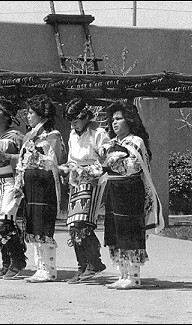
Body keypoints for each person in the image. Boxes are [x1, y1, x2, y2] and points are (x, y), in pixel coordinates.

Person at [98, 101, 164, 289]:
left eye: (119, 119)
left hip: (130, 192)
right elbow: (101, 167)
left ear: (129, 120)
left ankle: (134, 277)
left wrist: (110, 162)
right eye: (112, 120)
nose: (114, 123)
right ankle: (123, 274)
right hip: (114, 191)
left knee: (129, 232)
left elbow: (133, 167)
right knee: (116, 232)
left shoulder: (136, 142)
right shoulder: (111, 144)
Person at [13, 94, 65, 283]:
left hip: (45, 185)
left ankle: (50, 269)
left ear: (42, 115)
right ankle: (40, 267)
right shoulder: (28, 137)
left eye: (31, 113)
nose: (28, 116)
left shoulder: (53, 135)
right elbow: (21, 162)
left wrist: (38, 155)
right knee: (32, 226)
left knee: (44, 227)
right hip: (31, 185)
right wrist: (19, 183)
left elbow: (56, 161)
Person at [58, 98, 109, 284]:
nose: (73, 123)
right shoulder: (72, 135)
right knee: (73, 225)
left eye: (76, 119)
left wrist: (90, 172)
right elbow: (72, 159)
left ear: (86, 117)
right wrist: (66, 168)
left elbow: (105, 160)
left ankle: (94, 262)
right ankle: (82, 266)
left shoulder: (98, 133)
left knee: (82, 223)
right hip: (76, 180)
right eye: (71, 120)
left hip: (92, 180)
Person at [0, 96, 27, 280]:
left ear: (8, 115)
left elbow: (26, 158)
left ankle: (18, 260)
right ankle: (6, 262)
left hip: (12, 181)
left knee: (5, 221)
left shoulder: (17, 136)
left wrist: (8, 156)